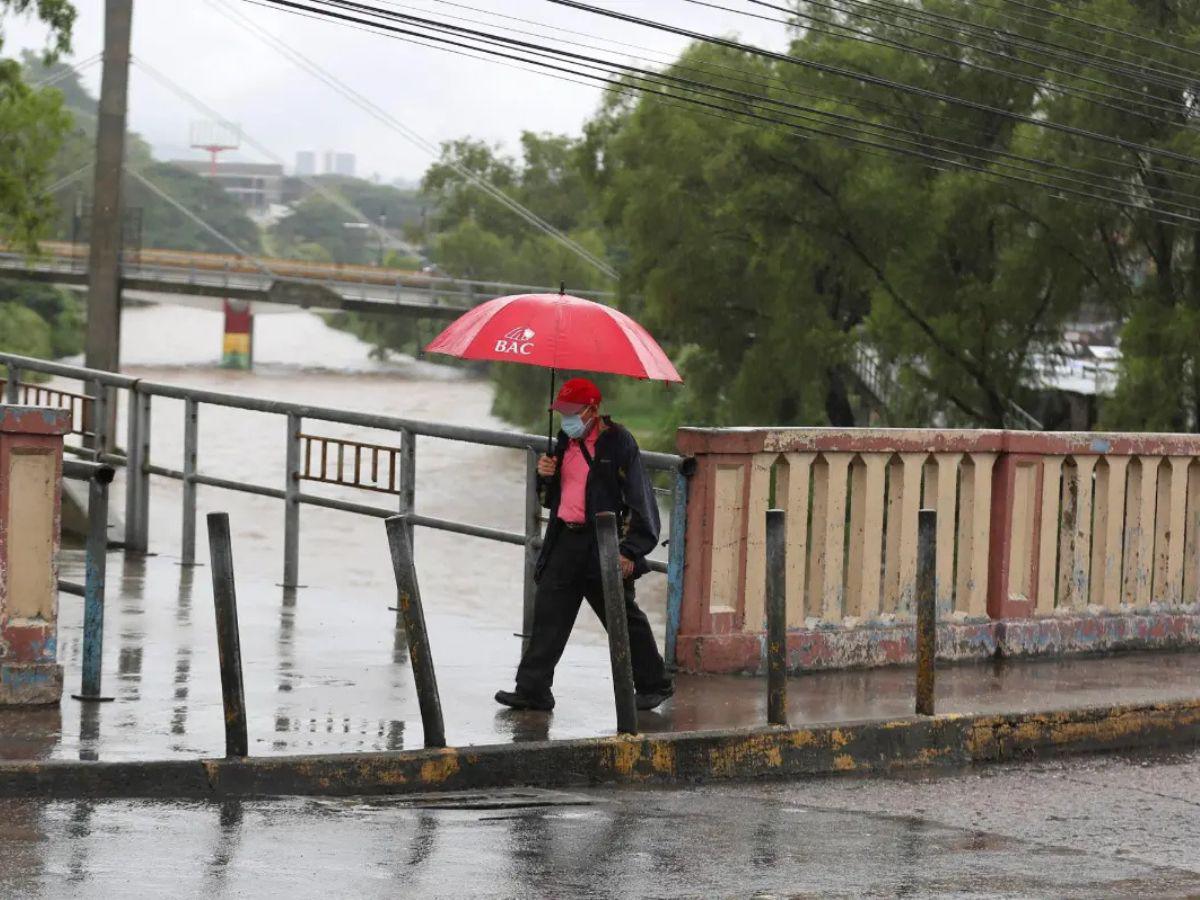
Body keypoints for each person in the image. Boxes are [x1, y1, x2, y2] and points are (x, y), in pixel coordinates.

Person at [495, 376, 675, 713]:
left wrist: (629, 551)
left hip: (603, 543)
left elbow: (641, 501)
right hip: (565, 538)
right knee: (549, 614)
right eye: (562, 412)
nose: (566, 419)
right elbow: (551, 500)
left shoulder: (619, 443)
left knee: (620, 616)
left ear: (593, 409)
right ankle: (533, 690)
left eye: (571, 411)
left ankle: (654, 684)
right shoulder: (565, 440)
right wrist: (545, 476)